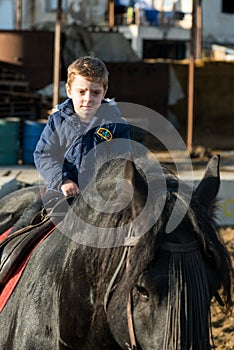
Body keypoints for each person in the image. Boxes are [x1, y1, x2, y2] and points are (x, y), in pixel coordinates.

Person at [10, 55, 132, 232]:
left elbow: (121, 161)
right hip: (60, 191)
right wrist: (63, 179)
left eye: (95, 92)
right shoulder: (58, 121)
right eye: (81, 92)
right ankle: (7, 252)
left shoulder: (116, 125)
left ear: (104, 92)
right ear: (69, 90)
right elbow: (44, 154)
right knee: (27, 222)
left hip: (102, 197)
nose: (88, 98)